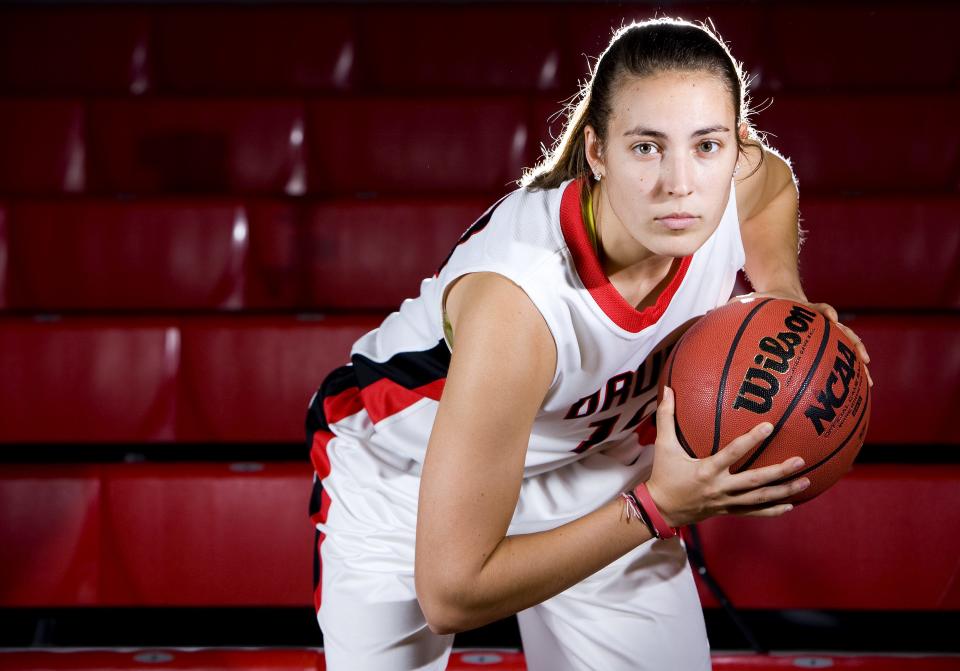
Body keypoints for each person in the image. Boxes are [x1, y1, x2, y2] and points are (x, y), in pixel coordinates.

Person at [306, 17, 870, 671]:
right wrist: (659, 507)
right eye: (646, 147)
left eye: (707, 145)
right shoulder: (522, 302)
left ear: (734, 145)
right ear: (598, 152)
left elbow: (770, 183)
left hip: (589, 461)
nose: (680, 183)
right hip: (407, 474)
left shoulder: (727, 183)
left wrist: (784, 294)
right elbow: (450, 592)